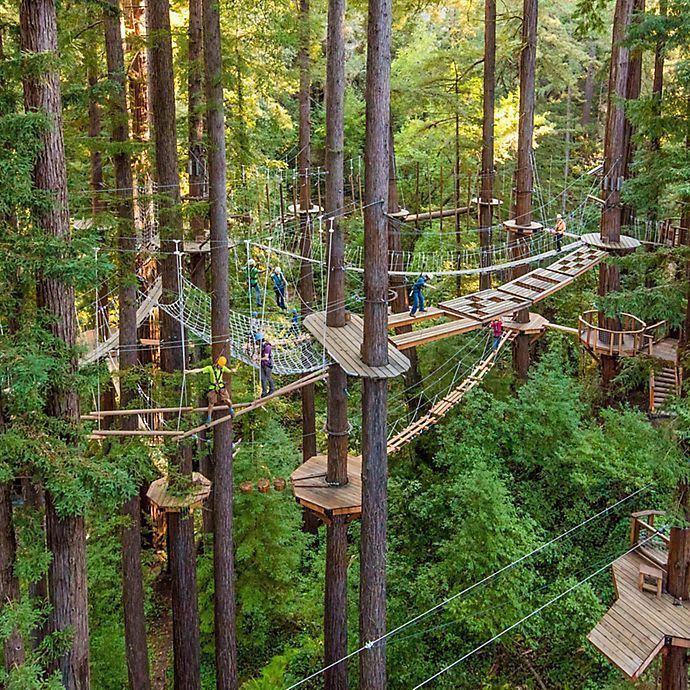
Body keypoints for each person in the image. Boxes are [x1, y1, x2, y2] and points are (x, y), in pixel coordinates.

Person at [186, 355, 235, 424]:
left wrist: (233, 370)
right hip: (213, 387)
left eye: (221, 366)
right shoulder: (210, 368)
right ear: (217, 362)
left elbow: (230, 371)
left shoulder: (223, 368)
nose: (220, 367)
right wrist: (189, 372)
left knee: (227, 400)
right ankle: (209, 418)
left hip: (221, 387)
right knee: (211, 404)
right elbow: (199, 370)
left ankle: (231, 409)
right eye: (220, 365)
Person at [255, 332, 275, 398]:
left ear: (259, 340)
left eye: (257, 341)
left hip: (268, 365)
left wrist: (258, 358)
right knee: (263, 379)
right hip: (262, 365)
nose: (256, 343)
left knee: (268, 377)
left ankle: (272, 389)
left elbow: (266, 357)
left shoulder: (267, 347)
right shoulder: (261, 347)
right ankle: (264, 393)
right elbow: (258, 353)